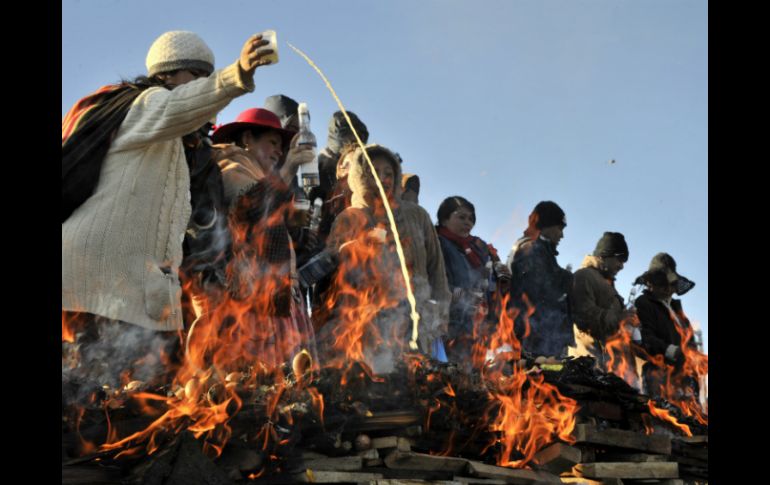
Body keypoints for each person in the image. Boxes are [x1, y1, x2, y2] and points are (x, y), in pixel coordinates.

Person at [62, 30, 272, 395]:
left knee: (131, 396)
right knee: (91, 398)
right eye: (197, 79)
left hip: (126, 284)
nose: (202, 91)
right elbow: (180, 106)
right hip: (98, 278)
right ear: (170, 74)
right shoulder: (147, 104)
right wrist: (236, 74)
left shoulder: (174, 142)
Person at [207, 107, 318, 369]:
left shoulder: (265, 178)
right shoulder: (230, 166)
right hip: (254, 294)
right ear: (247, 139)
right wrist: (290, 167)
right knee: (265, 375)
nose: (279, 152)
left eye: (281, 147)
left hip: (279, 291)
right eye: (272, 143)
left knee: (295, 377)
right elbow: (253, 207)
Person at [323, 145, 451, 372]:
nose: (383, 179)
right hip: (367, 327)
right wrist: (357, 248)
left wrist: (439, 314)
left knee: (426, 390)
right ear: (361, 176)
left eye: (389, 173)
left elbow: (436, 269)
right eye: (374, 172)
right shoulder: (349, 218)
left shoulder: (417, 216)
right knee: (381, 391)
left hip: (418, 323)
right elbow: (333, 272)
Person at [436, 196, 510, 365]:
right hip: (450, 325)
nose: (467, 222)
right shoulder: (437, 243)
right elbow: (435, 281)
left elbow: (487, 285)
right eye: (461, 217)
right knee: (448, 377)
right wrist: (462, 296)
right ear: (444, 219)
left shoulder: (478, 249)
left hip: (478, 326)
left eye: (471, 219)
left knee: (473, 380)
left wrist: (501, 280)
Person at [507, 201, 573, 358]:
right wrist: (569, 282)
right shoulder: (530, 249)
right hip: (536, 341)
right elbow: (540, 293)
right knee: (539, 378)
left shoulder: (542, 251)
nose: (562, 235)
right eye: (560, 228)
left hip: (547, 340)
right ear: (547, 225)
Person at [571, 232, 638, 383]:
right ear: (604, 255)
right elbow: (584, 316)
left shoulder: (608, 285)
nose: (621, 265)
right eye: (619, 259)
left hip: (612, 372)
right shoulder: (583, 276)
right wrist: (619, 318)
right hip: (590, 368)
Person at [633, 253, 699, 398]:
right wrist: (669, 350)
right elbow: (644, 337)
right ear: (651, 283)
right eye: (662, 284)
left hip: (686, 378)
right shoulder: (643, 303)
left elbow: (690, 342)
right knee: (662, 417)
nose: (667, 289)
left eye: (670, 284)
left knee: (691, 419)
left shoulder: (678, 312)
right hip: (659, 376)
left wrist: (693, 358)